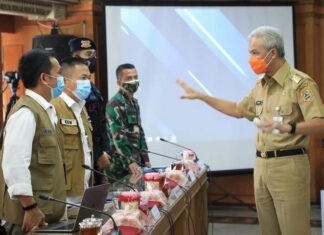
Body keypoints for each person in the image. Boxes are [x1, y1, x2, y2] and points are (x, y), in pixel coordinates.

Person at [177, 26, 324, 235]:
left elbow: (320, 123)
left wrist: (289, 127)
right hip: (261, 165)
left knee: (294, 231)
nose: (250, 58)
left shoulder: (300, 84)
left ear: (272, 53)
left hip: (289, 166)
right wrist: (202, 96)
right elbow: (238, 110)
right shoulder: (260, 85)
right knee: (268, 230)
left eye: (255, 52)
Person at [0, 49, 66, 234]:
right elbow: (14, 164)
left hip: (45, 216)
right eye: (58, 73)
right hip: (29, 220)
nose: (62, 79)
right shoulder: (26, 113)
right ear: (44, 78)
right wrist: (30, 207)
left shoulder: (45, 110)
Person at [51, 57, 93, 207]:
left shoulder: (82, 109)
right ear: (65, 80)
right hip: (65, 197)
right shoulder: (54, 108)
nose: (88, 82)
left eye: (89, 78)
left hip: (85, 191)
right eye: (83, 78)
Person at [69, 37, 111, 185]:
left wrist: (106, 150)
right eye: (88, 54)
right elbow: (85, 126)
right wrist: (99, 153)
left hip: (99, 153)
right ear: (75, 57)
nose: (92, 59)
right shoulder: (75, 90)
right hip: (86, 154)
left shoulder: (92, 87)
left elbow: (101, 123)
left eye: (94, 54)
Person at [106, 63, 151, 179]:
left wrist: (145, 158)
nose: (133, 81)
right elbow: (118, 136)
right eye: (128, 79)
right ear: (119, 83)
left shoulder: (134, 102)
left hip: (137, 163)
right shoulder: (115, 103)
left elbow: (139, 132)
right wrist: (129, 161)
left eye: (135, 77)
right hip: (121, 166)